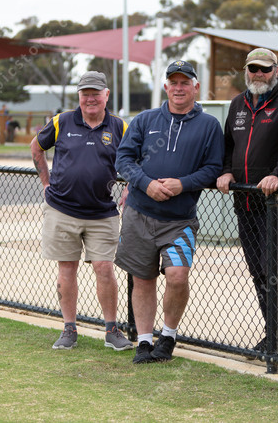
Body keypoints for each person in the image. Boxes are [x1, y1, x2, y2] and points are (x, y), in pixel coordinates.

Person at [114, 60, 224, 364]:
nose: (179, 88)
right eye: (173, 82)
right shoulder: (145, 119)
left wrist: (182, 184)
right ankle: (144, 341)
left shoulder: (209, 126)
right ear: (165, 87)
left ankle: (168, 336)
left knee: (177, 276)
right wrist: (146, 184)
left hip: (179, 220)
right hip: (139, 214)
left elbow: (213, 168)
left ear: (196, 87)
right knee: (142, 278)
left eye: (185, 82)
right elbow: (123, 160)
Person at [30, 71, 133, 352]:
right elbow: (36, 148)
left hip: (102, 212)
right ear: (79, 96)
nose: (90, 99)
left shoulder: (120, 127)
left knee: (104, 268)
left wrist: (129, 187)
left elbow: (137, 159)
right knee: (67, 268)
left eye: (95, 93)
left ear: (106, 95)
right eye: (85, 93)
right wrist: (46, 183)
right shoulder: (61, 121)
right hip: (62, 210)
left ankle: (111, 330)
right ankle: (69, 329)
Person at [216, 48, 278, 356]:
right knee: (257, 268)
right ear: (246, 70)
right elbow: (228, 145)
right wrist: (226, 171)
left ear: (276, 70)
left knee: (272, 264)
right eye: (253, 68)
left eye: (265, 69)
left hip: (274, 201)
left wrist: (277, 174)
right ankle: (274, 333)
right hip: (244, 199)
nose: (259, 74)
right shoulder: (237, 104)